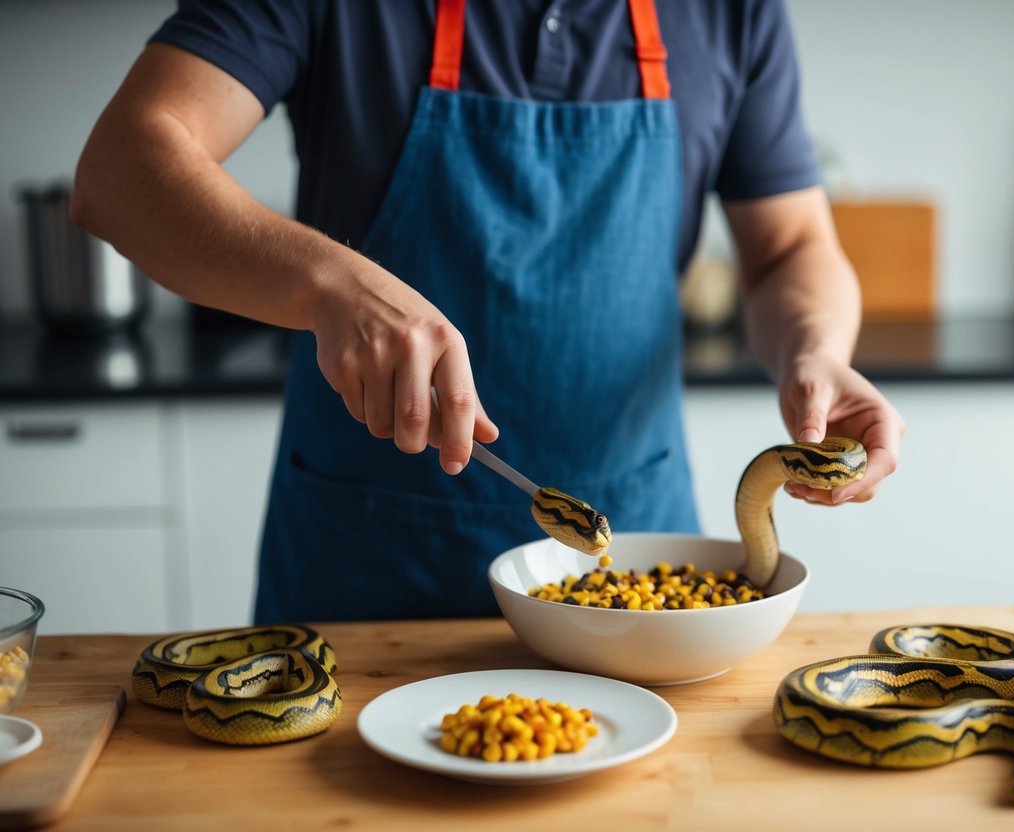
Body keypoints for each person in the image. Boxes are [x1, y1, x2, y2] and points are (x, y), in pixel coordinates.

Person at [72, 0, 904, 623]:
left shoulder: (731, 11)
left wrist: (816, 349)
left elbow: (791, 245)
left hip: (635, 578)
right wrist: (327, 282)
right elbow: (121, 168)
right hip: (366, 574)